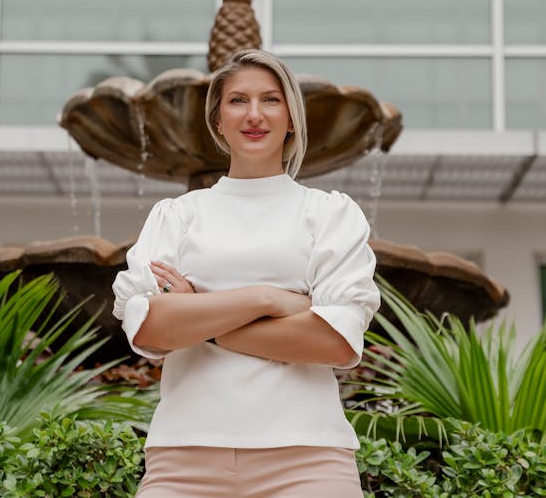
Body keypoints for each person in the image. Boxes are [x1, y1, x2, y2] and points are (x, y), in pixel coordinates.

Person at [112, 49, 380, 497]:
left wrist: (198, 315)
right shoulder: (177, 215)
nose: (254, 115)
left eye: (271, 100)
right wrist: (268, 300)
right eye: (238, 101)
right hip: (184, 460)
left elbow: (334, 341)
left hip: (308, 460)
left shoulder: (329, 214)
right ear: (217, 120)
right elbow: (150, 330)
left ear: (292, 116)